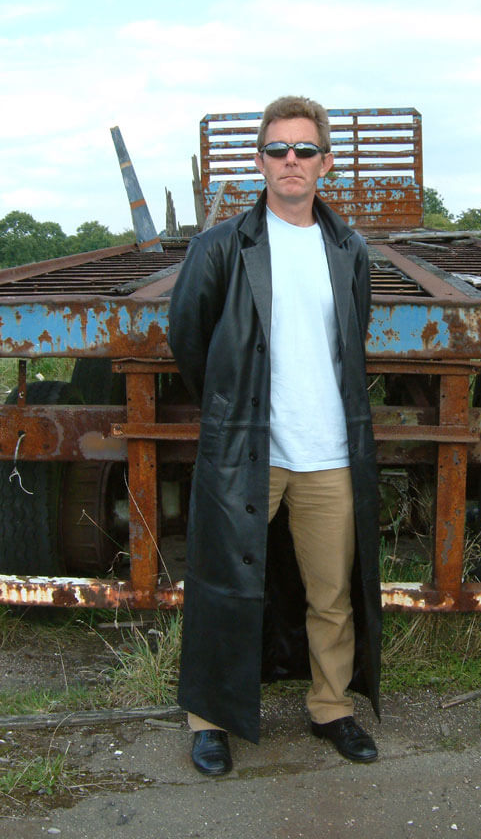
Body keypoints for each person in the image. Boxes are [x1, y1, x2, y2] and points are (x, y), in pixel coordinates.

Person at [168, 95, 381, 776]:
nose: (292, 161)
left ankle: (331, 707)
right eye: (278, 150)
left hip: (328, 453)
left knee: (333, 591)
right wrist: (235, 408)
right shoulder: (220, 246)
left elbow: (350, 342)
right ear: (260, 161)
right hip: (247, 448)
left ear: (326, 163)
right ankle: (211, 720)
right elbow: (189, 340)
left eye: (305, 150)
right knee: (224, 585)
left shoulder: (349, 249)